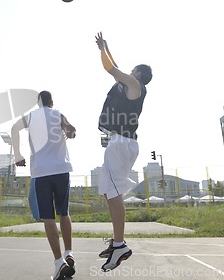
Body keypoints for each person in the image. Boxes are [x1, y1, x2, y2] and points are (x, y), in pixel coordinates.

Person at [94, 32, 152, 271]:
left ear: (137, 74)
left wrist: (100, 52)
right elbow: (115, 66)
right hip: (119, 142)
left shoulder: (134, 85)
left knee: (113, 190)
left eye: (132, 70)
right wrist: (106, 47)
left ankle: (120, 244)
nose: (128, 71)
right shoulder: (129, 83)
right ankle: (117, 242)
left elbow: (110, 69)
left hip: (122, 143)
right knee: (108, 191)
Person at [11, 90, 77, 280]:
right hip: (62, 170)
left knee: (49, 217)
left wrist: (17, 154)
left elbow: (14, 128)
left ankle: (58, 262)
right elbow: (71, 128)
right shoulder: (58, 114)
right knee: (64, 213)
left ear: (38, 102)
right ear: (52, 102)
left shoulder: (31, 116)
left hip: (42, 173)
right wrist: (70, 132)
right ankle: (69, 253)